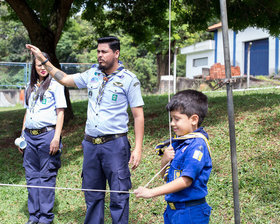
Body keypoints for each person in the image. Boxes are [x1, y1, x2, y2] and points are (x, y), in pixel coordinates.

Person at [26, 36, 144, 224]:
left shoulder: (129, 79)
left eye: (104, 52)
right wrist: (43, 59)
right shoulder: (92, 74)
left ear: (116, 53)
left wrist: (138, 148)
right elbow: (63, 78)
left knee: (119, 194)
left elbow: (138, 115)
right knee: (92, 194)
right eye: (98, 51)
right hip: (91, 145)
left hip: (115, 145)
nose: (99, 55)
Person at [134, 89, 212, 224]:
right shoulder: (179, 142)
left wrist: (151, 192)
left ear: (194, 119)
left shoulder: (197, 145)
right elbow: (167, 177)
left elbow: (185, 180)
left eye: (177, 119)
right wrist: (164, 159)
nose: (172, 123)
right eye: (171, 119)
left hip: (190, 212)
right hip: (173, 211)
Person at [18, 52, 67, 224]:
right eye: (39, 65)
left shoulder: (56, 85)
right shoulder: (30, 86)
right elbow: (27, 112)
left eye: (45, 64)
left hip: (48, 135)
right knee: (31, 176)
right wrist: (22, 135)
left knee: (46, 176)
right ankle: (34, 216)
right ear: (34, 67)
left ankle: (45, 218)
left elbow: (60, 113)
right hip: (30, 137)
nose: (42, 68)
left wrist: (56, 137)